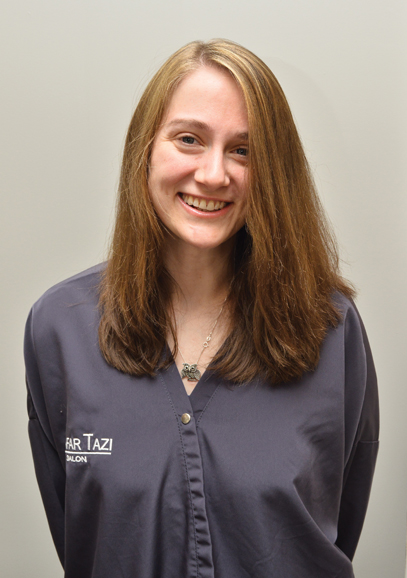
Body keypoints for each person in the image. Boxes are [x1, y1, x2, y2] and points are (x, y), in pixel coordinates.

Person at [24, 39, 379, 578]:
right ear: (144, 149)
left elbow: (339, 523)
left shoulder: (330, 327)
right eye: (189, 139)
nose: (214, 174)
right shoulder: (60, 328)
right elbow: (82, 540)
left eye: (243, 150)